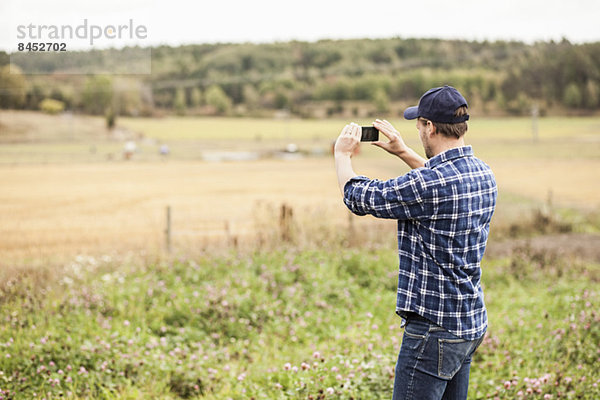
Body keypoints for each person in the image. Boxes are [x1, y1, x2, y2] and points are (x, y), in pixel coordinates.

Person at [333, 85, 497, 400]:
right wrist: (402, 151)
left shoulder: (428, 185)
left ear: (430, 127)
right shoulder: (483, 173)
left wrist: (342, 155)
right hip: (469, 322)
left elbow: (358, 197)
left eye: (419, 124)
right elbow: (442, 185)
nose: (418, 130)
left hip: (433, 329)